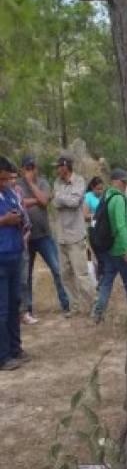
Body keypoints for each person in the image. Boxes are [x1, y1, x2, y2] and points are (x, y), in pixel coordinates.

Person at [17, 156, 71, 325]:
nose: (31, 169)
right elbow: (20, 203)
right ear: (22, 168)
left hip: (44, 235)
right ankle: (28, 310)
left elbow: (44, 201)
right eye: (27, 167)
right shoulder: (17, 184)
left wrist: (31, 186)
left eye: (33, 166)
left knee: (57, 269)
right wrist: (35, 200)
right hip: (26, 238)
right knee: (26, 276)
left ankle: (66, 304)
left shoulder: (42, 182)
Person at [52, 156, 94, 313]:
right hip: (62, 235)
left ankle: (94, 306)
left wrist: (60, 197)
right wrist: (63, 199)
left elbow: (75, 202)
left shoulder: (79, 181)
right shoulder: (57, 182)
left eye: (58, 166)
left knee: (81, 274)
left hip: (76, 235)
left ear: (65, 167)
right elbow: (55, 203)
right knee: (65, 275)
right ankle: (74, 306)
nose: (56, 169)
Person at [0, 156, 31, 370]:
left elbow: (21, 212)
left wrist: (19, 218)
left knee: (13, 306)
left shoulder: (10, 193)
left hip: (15, 255)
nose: (8, 180)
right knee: (1, 308)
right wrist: (3, 221)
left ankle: (15, 348)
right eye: (4, 176)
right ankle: (3, 356)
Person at [91, 169, 127, 322]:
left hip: (108, 249)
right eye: (124, 181)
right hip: (120, 251)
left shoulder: (106, 195)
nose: (125, 184)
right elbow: (121, 226)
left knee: (106, 283)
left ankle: (97, 313)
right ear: (116, 181)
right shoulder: (119, 199)